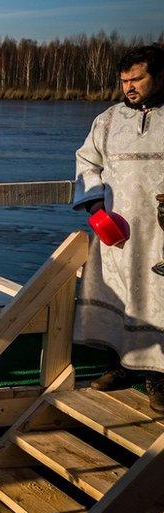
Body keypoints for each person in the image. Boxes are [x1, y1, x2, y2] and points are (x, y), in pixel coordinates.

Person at [72, 44, 164, 411]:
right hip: (118, 234)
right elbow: (85, 161)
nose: (128, 86)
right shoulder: (108, 120)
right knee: (120, 296)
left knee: (158, 301)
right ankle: (121, 367)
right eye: (124, 80)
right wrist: (96, 206)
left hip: (160, 235)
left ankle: (158, 379)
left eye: (137, 79)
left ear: (159, 76)